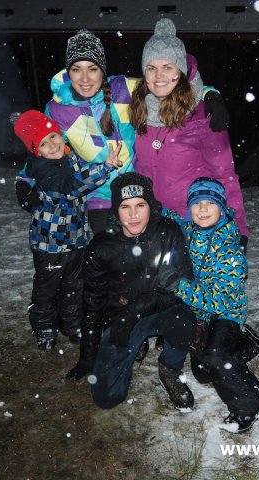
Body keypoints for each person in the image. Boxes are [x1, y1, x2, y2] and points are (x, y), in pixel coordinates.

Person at [42, 28, 229, 234]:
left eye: (92, 69)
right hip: (99, 196)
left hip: (137, 192)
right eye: (77, 69)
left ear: (103, 70)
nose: (85, 78)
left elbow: (166, 84)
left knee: (141, 250)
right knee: (107, 248)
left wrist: (209, 94)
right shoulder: (57, 109)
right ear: (68, 72)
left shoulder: (124, 89)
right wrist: (26, 180)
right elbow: (43, 148)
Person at [65, 172, 198, 411]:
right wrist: (88, 355)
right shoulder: (102, 246)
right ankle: (137, 344)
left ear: (151, 206)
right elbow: (93, 302)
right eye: (125, 207)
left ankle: (170, 368)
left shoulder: (168, 232)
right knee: (106, 398)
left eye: (140, 205)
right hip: (120, 319)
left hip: (161, 310)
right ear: (116, 210)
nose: (133, 214)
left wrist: (134, 312)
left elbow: (182, 285)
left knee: (184, 318)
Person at [163, 177, 259, 433]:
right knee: (203, 373)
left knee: (216, 357)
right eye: (196, 203)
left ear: (221, 209)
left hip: (226, 312)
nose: (202, 209)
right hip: (199, 312)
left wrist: (178, 286)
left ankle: (249, 406)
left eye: (210, 203)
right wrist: (151, 208)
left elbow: (218, 301)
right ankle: (249, 343)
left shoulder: (230, 252)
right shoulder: (189, 229)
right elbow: (171, 218)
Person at [129, 19, 250, 245]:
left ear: (181, 71)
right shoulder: (138, 109)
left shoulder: (202, 115)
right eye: (151, 68)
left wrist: (238, 229)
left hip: (194, 225)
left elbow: (225, 175)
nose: (159, 76)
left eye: (168, 67)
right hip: (152, 223)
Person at [13, 109, 119, 350]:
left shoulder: (69, 156)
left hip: (76, 238)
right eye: (43, 143)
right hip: (50, 244)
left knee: (75, 285)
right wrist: (103, 168)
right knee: (47, 287)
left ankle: (72, 324)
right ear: (36, 152)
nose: (52, 145)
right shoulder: (44, 170)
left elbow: (80, 170)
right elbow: (71, 186)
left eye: (53, 136)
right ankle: (44, 326)